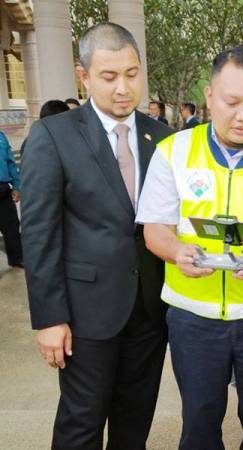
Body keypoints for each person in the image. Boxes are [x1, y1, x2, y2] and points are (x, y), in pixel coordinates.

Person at [137, 45, 243, 450]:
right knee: (199, 417)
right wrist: (177, 252)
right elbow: (155, 230)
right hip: (193, 317)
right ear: (210, 96)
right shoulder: (174, 153)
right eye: (232, 102)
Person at [20, 22, 173, 449]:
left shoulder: (161, 137)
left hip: (149, 310)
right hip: (85, 314)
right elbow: (38, 234)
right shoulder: (54, 136)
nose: (123, 88)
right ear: (83, 76)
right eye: (109, 77)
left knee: (135, 419)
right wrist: (50, 318)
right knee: (81, 422)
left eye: (132, 73)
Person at [0, 130, 23, 268]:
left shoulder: (1, 136)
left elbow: (10, 162)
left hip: (3, 189)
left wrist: (16, 186)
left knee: (12, 226)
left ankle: (16, 258)